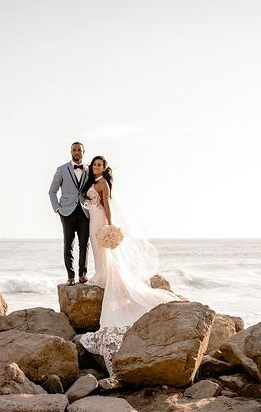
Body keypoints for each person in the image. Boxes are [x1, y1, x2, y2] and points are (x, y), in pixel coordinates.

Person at [79, 155, 180, 375]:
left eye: (100, 165)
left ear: (105, 169)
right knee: (97, 250)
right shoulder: (93, 182)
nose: (96, 167)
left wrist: (109, 224)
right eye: (95, 164)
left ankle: (105, 275)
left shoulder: (102, 183)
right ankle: (101, 273)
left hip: (100, 219)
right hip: (93, 218)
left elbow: (106, 204)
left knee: (102, 250)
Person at [48, 142, 90, 286]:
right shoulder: (61, 169)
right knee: (68, 244)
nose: (77, 152)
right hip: (67, 212)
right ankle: (70, 275)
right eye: (74, 150)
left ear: (83, 152)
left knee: (84, 244)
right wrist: (57, 208)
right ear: (70, 152)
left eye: (79, 150)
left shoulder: (89, 169)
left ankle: (82, 274)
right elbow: (52, 191)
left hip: (85, 211)